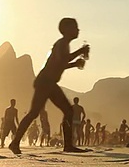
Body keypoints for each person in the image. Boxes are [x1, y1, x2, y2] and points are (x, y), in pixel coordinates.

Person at [8, 18, 90, 154]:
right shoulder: (62, 43)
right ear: (67, 30)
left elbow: (60, 64)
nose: (78, 30)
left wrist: (75, 63)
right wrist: (80, 52)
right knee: (40, 112)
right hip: (46, 82)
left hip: (48, 82)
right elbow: (63, 60)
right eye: (75, 27)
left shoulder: (63, 44)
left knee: (46, 112)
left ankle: (15, 143)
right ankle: (16, 143)